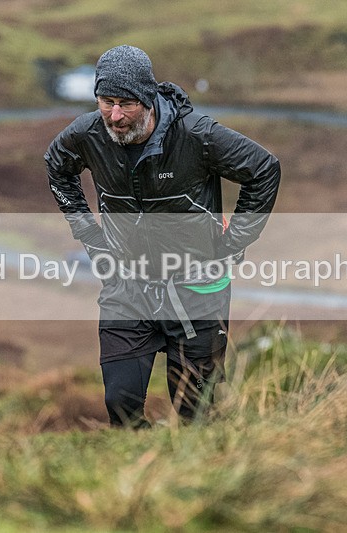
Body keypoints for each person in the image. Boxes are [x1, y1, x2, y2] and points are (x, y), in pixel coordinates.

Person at [45, 45, 281, 427]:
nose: (115, 115)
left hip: (197, 291)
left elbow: (264, 169)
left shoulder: (196, 135)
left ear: (148, 98)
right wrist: (90, 236)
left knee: (195, 414)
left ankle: (194, 479)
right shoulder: (88, 134)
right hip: (127, 288)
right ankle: (140, 477)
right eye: (106, 101)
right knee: (120, 404)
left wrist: (233, 243)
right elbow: (57, 167)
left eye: (126, 103)